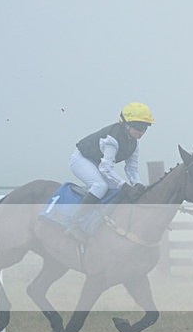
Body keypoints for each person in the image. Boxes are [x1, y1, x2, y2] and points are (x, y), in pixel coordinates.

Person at [65, 102, 154, 240]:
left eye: (145, 128)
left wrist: (137, 184)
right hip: (81, 159)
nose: (142, 131)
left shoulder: (134, 143)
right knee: (100, 186)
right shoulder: (112, 139)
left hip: (97, 162)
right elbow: (105, 168)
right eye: (139, 127)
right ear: (126, 124)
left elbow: (131, 168)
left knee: (118, 191)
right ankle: (73, 225)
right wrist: (124, 185)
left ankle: (101, 223)